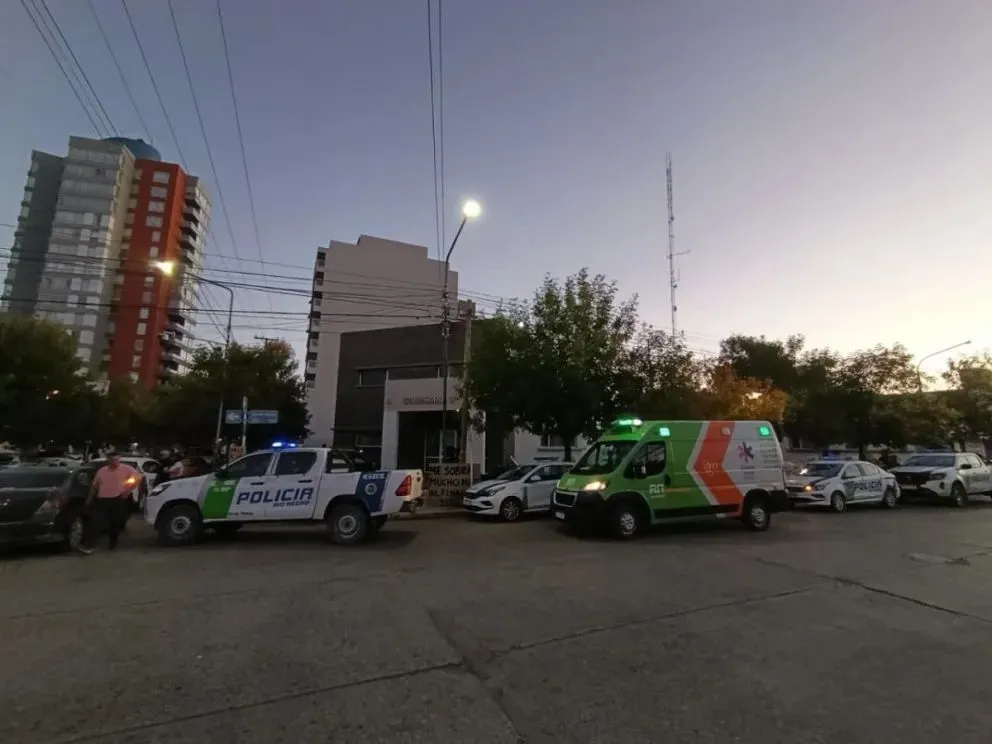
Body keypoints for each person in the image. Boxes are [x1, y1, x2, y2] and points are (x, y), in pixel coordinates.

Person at [79, 450, 140, 555]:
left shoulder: (126, 469)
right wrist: (89, 499)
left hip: (117, 499)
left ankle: (113, 543)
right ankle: (89, 545)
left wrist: (128, 490)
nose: (114, 462)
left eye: (116, 460)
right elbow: (95, 486)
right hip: (103, 499)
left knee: (115, 523)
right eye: (111, 460)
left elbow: (137, 478)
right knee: (95, 522)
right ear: (108, 460)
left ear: (119, 459)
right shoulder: (102, 471)